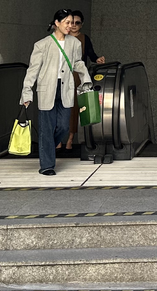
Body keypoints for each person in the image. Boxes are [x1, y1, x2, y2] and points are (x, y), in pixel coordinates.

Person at [22, 10, 90, 175]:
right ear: (57, 23)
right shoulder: (42, 45)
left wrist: (86, 80)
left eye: (72, 22)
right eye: (67, 22)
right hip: (47, 89)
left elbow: (78, 63)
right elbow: (33, 70)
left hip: (66, 88)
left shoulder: (74, 43)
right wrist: (27, 92)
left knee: (64, 126)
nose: (70, 26)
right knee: (47, 128)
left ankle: (47, 148)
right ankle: (47, 165)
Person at [64, 11, 105, 154]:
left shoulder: (83, 38)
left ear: (82, 25)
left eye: (77, 23)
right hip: (62, 75)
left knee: (75, 107)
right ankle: (58, 139)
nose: (74, 25)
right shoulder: (62, 37)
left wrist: (97, 59)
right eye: (71, 22)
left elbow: (90, 54)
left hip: (77, 76)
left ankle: (70, 138)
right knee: (60, 105)